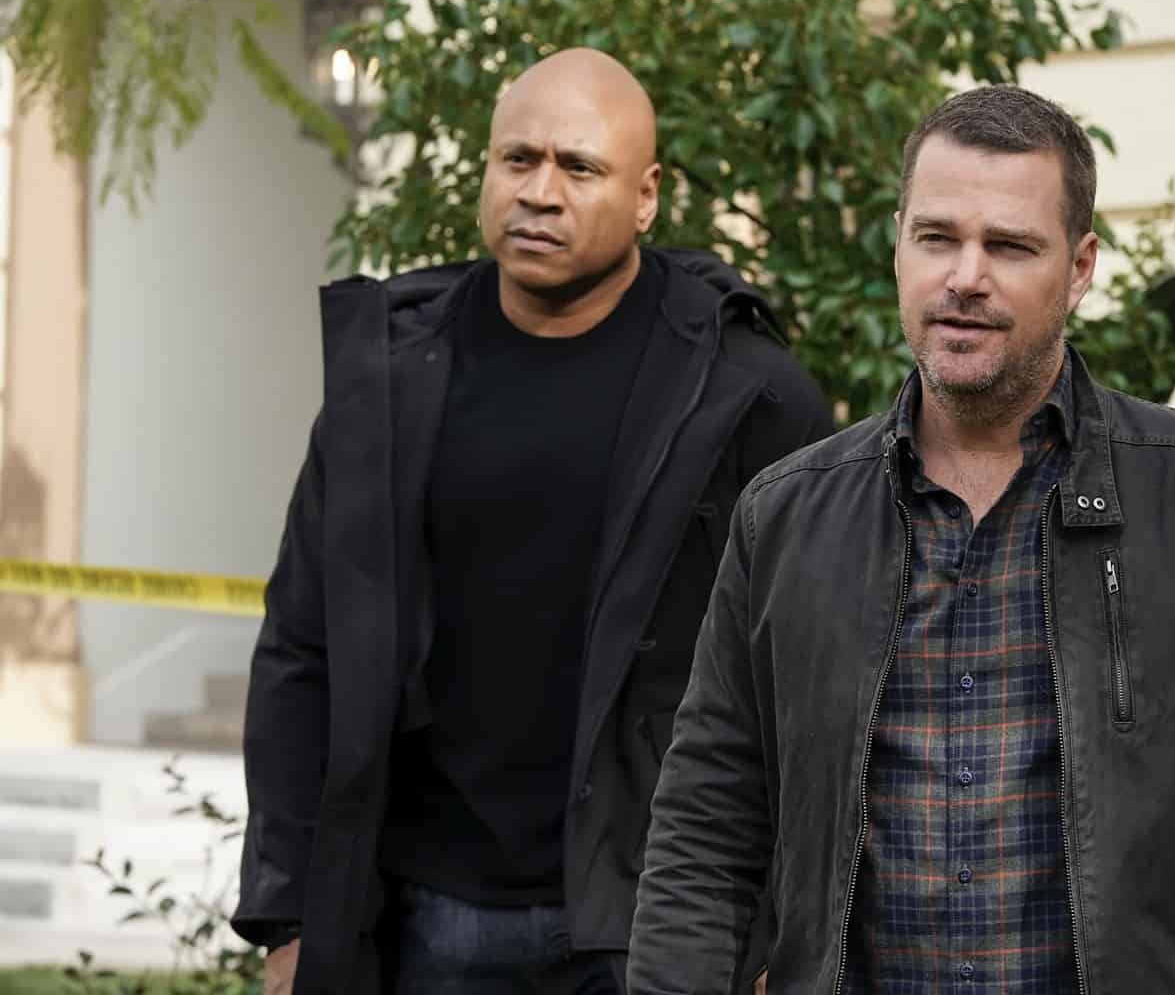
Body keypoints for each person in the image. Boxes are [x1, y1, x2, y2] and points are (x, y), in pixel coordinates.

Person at [628, 85, 1175, 993]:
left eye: (1010, 246)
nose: (964, 277)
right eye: (936, 237)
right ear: (898, 245)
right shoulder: (786, 517)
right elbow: (707, 827)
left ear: (1079, 267)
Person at [232, 48, 832, 995]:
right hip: (427, 912)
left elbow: (806, 685)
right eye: (518, 159)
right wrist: (291, 913)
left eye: (579, 167)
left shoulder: (744, 396)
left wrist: (775, 935)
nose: (539, 193)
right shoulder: (391, 379)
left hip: (653, 918)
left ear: (646, 196)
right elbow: (304, 648)